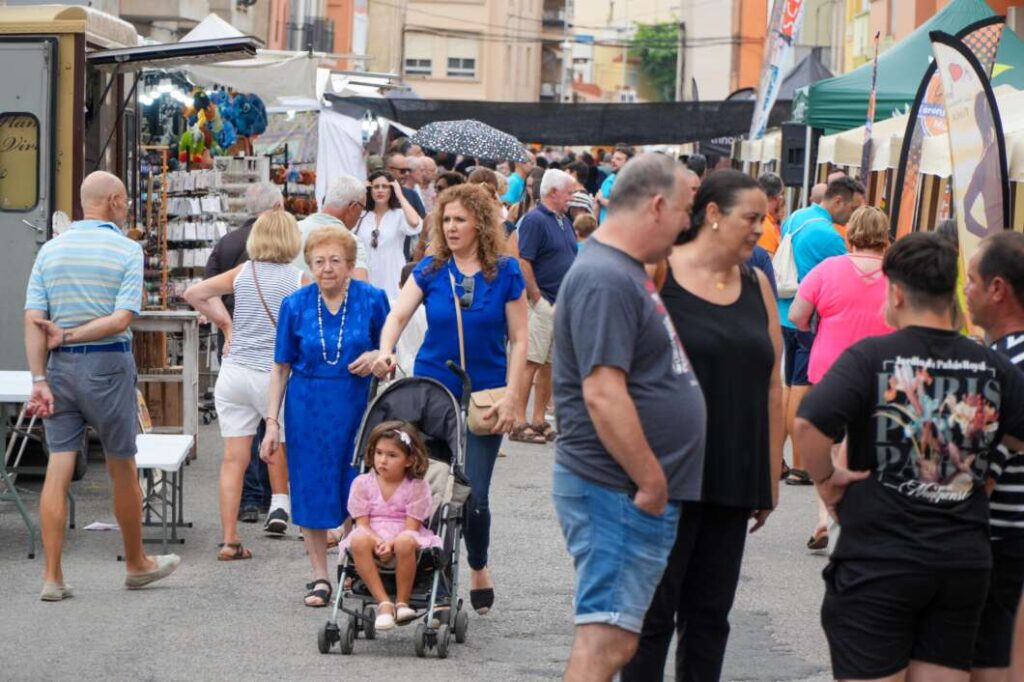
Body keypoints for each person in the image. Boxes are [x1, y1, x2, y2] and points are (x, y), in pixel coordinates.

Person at [794, 232, 1024, 682]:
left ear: (896, 293)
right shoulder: (992, 365)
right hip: (960, 563)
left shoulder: (871, 357)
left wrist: (827, 480)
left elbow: (808, 424)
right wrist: (982, 476)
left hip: (880, 559)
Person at [623, 170, 782, 681]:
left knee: (711, 616)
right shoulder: (659, 272)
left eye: (764, 218)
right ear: (712, 214)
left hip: (733, 472)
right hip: (664, 473)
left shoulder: (757, 284)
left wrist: (770, 473)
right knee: (651, 617)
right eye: (751, 217)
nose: (760, 228)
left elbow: (772, 383)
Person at [553, 154, 704, 681]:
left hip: (620, 486)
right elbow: (602, 391)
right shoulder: (606, 277)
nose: (687, 224)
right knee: (605, 640)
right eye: (684, 210)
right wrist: (651, 479)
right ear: (657, 206)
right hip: (614, 485)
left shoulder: (621, 271)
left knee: (613, 637)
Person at [371, 183, 528, 616]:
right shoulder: (432, 268)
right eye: (446, 220)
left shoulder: (506, 271)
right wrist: (385, 349)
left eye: (460, 219)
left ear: (480, 224)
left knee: (474, 494)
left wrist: (514, 396)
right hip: (431, 394)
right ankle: (433, 578)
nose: (451, 227)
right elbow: (397, 314)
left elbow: (519, 338)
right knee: (427, 487)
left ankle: (477, 564)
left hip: (487, 394)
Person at [25, 171, 180, 600]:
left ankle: (52, 577)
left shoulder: (50, 250)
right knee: (121, 465)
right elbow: (121, 318)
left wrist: (39, 378)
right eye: (125, 199)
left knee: (59, 465)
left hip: (59, 370)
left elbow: (33, 319)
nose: (127, 206)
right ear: (113, 200)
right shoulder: (127, 250)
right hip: (108, 364)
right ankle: (136, 563)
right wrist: (71, 334)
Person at [260, 227, 390, 607]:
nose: (327, 268)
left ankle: (351, 567)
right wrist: (272, 423)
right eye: (319, 261)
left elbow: (390, 351)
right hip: (307, 409)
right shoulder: (295, 304)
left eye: (335, 261)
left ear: (349, 264)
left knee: (354, 486)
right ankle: (320, 576)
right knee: (311, 487)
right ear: (309, 265)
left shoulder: (372, 299)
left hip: (356, 407)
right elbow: (280, 367)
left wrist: (376, 357)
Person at [185, 209, 306, 553]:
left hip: (234, 372)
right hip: (273, 376)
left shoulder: (242, 272)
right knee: (287, 447)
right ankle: (300, 521)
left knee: (233, 459)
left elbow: (194, 293)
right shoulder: (298, 280)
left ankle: (229, 540)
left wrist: (227, 325)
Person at [788, 205, 893, 550]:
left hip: (831, 368)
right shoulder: (897, 275)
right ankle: (863, 519)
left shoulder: (827, 269)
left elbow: (797, 314)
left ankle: (825, 516)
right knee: (870, 444)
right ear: (884, 236)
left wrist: (812, 328)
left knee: (832, 446)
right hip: (880, 369)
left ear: (850, 234)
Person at [204, 182, 285, 524]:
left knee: (239, 438)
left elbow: (203, 291)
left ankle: (246, 504)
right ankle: (274, 500)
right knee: (274, 425)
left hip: (235, 351)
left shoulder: (228, 243)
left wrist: (226, 325)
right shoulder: (285, 249)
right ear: (277, 207)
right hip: (274, 356)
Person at [965, 232, 1024, 681]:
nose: (965, 291)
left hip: (1005, 536)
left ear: (997, 289)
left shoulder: (1002, 367)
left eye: (971, 280)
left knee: (993, 659)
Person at [778, 176, 862, 486]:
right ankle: (801, 465)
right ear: (838, 201)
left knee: (789, 386)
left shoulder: (797, 216)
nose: (851, 217)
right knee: (801, 388)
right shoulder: (829, 235)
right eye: (852, 208)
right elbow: (846, 274)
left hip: (785, 312)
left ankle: (778, 460)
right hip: (808, 319)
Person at [342, 421, 442, 631]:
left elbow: (412, 527)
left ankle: (402, 603)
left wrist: (392, 543)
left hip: (404, 534)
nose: (383, 460)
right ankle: (384, 603)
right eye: (378, 453)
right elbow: (362, 523)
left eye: (392, 455)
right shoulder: (362, 483)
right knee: (358, 539)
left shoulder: (416, 486)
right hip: (371, 534)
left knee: (405, 541)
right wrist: (380, 541)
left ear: (409, 460)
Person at [511, 169, 578, 445]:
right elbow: (523, 260)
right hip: (542, 302)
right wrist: (537, 297)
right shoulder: (535, 220)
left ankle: (538, 418)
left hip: (559, 303)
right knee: (530, 362)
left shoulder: (563, 220)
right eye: (569, 193)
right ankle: (518, 421)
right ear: (553, 192)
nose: (572, 197)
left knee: (549, 364)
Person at [355, 170, 422, 302]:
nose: (380, 190)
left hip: (392, 275)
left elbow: (415, 223)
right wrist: (360, 191)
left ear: (392, 189)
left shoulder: (399, 214)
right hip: (366, 275)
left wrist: (400, 195)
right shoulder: (361, 215)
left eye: (385, 186)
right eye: (376, 186)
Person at [296, 176, 369, 281]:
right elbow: (361, 287)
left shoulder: (292, 230)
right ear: (354, 207)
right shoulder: (350, 242)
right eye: (362, 209)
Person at [596, 144, 634, 223]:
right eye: (613, 157)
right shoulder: (610, 178)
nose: (613, 161)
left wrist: (602, 200)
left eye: (618, 159)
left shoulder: (630, 182)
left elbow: (625, 207)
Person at [384, 152, 427, 219]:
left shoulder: (412, 195)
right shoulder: (375, 193)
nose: (407, 174)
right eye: (403, 171)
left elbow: (423, 220)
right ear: (390, 170)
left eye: (408, 170)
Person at [757, 172, 785, 256]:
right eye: (781, 194)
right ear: (776, 198)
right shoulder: (765, 225)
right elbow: (769, 260)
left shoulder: (758, 219)